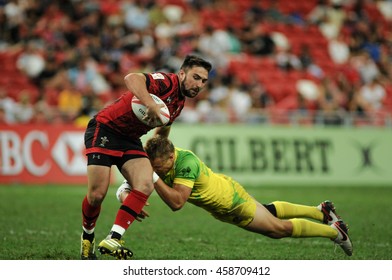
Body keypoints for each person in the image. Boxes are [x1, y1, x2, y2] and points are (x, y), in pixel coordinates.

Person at [117, 135, 353, 257]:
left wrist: (154, 178)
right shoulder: (161, 159)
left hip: (233, 203)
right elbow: (137, 178)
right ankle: (320, 211)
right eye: (154, 168)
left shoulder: (185, 164)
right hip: (225, 198)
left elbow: (177, 203)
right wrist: (125, 191)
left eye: (159, 168)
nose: (156, 171)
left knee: (277, 230)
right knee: (269, 211)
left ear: (170, 158)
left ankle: (335, 232)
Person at [80, 55, 212, 260]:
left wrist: (152, 155)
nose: (199, 84)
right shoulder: (167, 82)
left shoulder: (179, 104)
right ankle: (88, 236)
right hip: (106, 129)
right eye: (196, 77)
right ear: (182, 73)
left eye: (203, 81)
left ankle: (114, 237)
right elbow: (132, 78)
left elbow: (161, 132)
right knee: (97, 195)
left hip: (131, 139)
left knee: (146, 183)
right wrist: (150, 102)